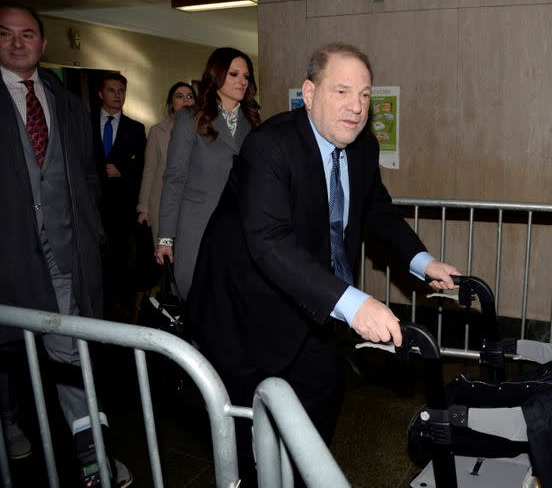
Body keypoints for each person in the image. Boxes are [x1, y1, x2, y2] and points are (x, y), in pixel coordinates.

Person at [187, 42, 460, 481]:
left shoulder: (362, 148)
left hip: (311, 304)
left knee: (322, 397)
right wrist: (355, 303)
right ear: (309, 94)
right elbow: (270, 243)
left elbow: (376, 209)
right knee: (246, 435)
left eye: (365, 95)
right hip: (242, 313)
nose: (356, 107)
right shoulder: (270, 146)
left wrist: (422, 261)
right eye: (342, 92)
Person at [0, 3, 131, 486]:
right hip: (7, 261)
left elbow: (87, 180)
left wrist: (92, 238)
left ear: (43, 43)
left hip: (63, 259)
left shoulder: (66, 104)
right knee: (8, 359)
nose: (17, 42)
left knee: (71, 357)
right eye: (6, 34)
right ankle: (9, 421)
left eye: (27, 33)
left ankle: (93, 458)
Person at [155, 47, 260, 298]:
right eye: (234, 74)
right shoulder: (190, 118)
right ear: (216, 75)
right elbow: (174, 178)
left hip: (238, 228)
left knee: (232, 304)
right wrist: (166, 237)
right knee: (196, 299)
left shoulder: (253, 120)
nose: (242, 81)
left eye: (246, 76)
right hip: (197, 225)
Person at [92, 71, 146, 320]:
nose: (117, 95)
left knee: (123, 261)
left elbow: (145, 167)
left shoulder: (135, 128)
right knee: (96, 262)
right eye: (112, 90)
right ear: (101, 93)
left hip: (122, 208)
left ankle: (124, 312)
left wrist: (122, 171)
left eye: (121, 91)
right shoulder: (85, 122)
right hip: (91, 205)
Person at [136, 81, 196, 244]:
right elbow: (149, 170)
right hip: (163, 201)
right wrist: (144, 208)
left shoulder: (203, 131)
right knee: (167, 255)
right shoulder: (157, 131)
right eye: (180, 96)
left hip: (193, 202)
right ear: (171, 104)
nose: (185, 100)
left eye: (190, 97)